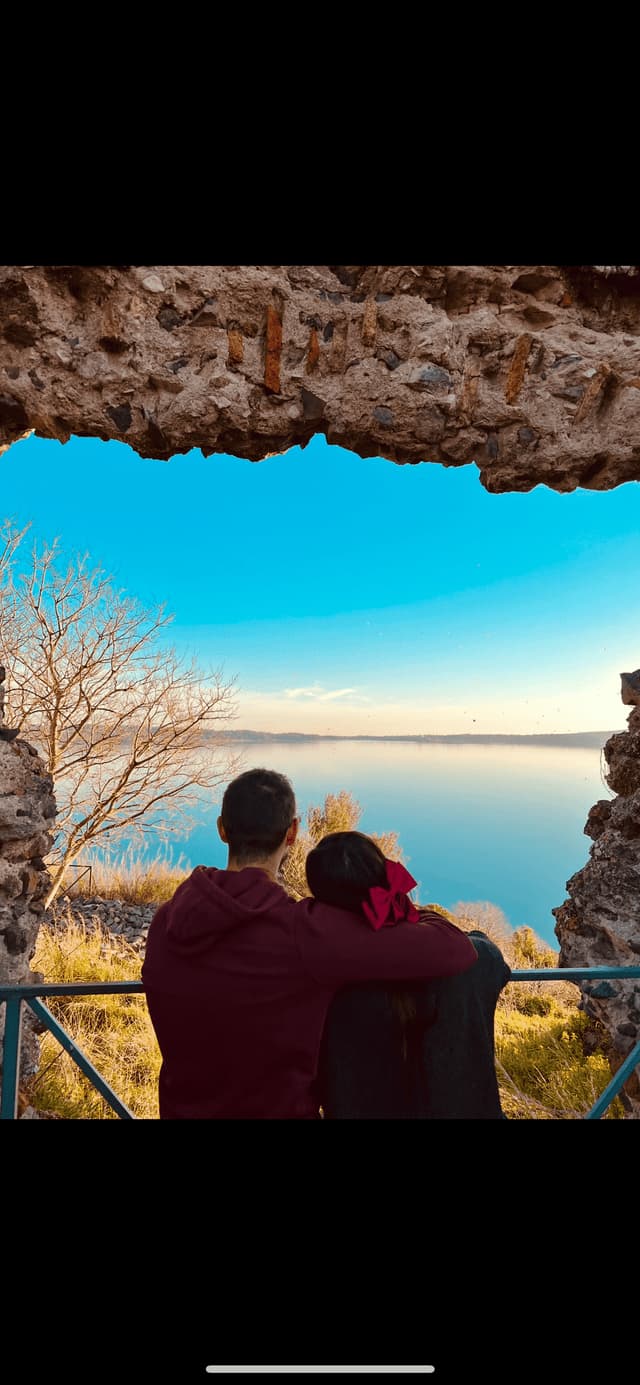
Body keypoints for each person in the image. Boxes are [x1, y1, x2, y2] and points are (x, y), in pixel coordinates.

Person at [141, 767, 478, 1119]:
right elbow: (454, 949)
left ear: (222, 829)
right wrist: (413, 911)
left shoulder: (166, 920)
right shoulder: (302, 931)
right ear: (293, 833)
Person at [307, 831, 511, 1119]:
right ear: (385, 878)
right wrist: (417, 916)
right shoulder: (477, 961)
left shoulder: (321, 981)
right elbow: (488, 955)